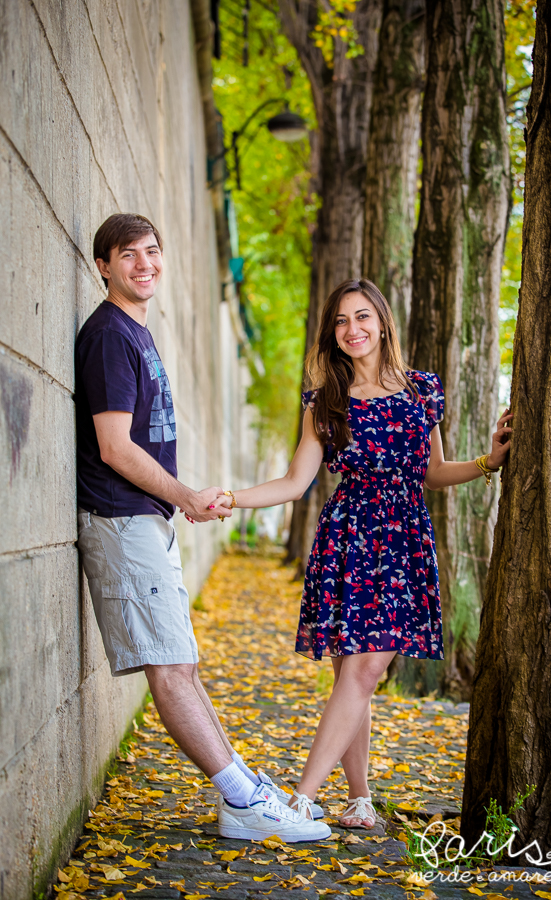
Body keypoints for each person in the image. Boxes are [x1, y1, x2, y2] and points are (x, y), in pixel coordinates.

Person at [209, 278, 512, 829]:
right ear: (333, 333)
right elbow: (295, 482)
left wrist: (488, 462)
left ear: (382, 321)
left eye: (362, 317)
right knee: (356, 670)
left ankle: (303, 798)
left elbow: (432, 472)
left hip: (403, 536)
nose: (353, 330)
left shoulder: (422, 390)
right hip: (349, 538)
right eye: (342, 322)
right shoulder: (324, 401)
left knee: (366, 667)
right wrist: (231, 498)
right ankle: (345, 797)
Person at [75, 213, 330, 843]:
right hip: (121, 518)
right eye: (127, 254)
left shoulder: (136, 332)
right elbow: (114, 447)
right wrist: (186, 496)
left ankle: (245, 789)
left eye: (152, 251)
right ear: (103, 266)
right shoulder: (110, 335)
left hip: (143, 521)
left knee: (182, 663)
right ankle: (242, 802)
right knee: (169, 666)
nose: (144, 264)